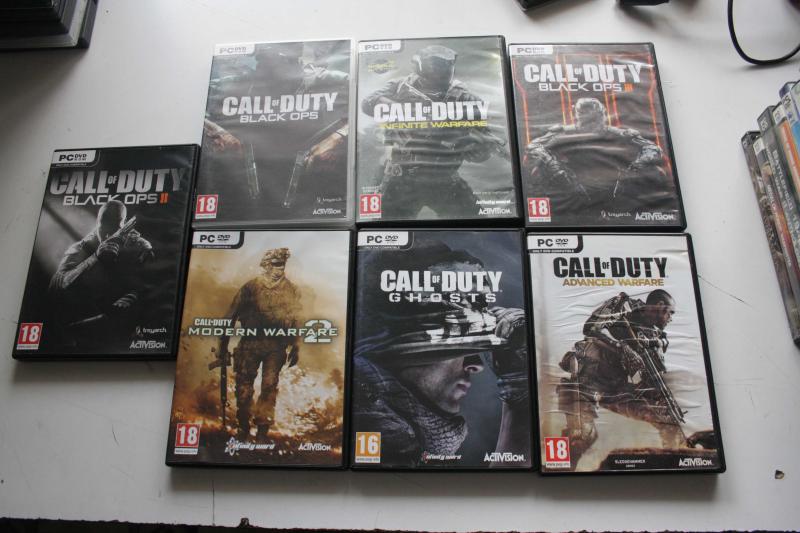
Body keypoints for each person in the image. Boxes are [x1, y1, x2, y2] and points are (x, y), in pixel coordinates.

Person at [352, 241, 531, 466]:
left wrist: (519, 396)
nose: (476, 365)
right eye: (456, 338)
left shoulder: (403, 439)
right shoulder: (352, 427)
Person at [202, 42, 349, 213]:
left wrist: (338, 137)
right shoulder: (233, 85)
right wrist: (219, 133)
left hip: (315, 192)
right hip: (241, 194)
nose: (272, 70)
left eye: (282, 61)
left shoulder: (329, 80)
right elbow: (198, 107)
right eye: (264, 62)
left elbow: (364, 102)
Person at [361, 45, 504, 219]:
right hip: (401, 179)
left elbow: (483, 149)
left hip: (444, 179)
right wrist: (407, 113)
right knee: (384, 230)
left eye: (444, 69)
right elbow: (368, 103)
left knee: (477, 225)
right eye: (435, 68)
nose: (439, 75)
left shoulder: (465, 98)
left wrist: (472, 147)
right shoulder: (400, 86)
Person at [557, 290, 684, 468]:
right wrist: (621, 347)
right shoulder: (624, 305)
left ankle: (677, 464)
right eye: (670, 312)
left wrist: (659, 401)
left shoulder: (655, 338)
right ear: (660, 306)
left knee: (669, 422)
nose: (671, 318)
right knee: (582, 438)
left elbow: (650, 378)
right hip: (586, 381)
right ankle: (558, 470)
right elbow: (591, 327)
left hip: (615, 388)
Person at [525, 97, 668, 216]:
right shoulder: (563, 133)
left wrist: (637, 167)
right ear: (576, 117)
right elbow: (533, 146)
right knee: (539, 170)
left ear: (603, 115)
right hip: (570, 184)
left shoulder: (617, 134)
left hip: (615, 185)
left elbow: (652, 148)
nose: (591, 124)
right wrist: (553, 166)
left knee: (654, 171)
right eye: (586, 119)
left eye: (594, 119)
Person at [216, 248, 302, 443]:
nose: (279, 269)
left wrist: (296, 346)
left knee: (269, 387)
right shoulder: (250, 287)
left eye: (282, 265)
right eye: (276, 264)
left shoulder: (292, 290)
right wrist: (222, 345)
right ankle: (243, 426)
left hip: (276, 346)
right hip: (250, 344)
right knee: (244, 387)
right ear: (266, 265)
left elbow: (297, 319)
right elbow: (230, 317)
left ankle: (262, 430)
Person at [48, 200, 153, 346]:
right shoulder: (80, 248)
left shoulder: (131, 242)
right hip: (82, 326)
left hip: (118, 327)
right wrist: (95, 257)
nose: (109, 233)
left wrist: (140, 252)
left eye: (116, 225)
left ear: (122, 225)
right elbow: (57, 286)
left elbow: (151, 281)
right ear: (97, 222)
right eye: (105, 224)